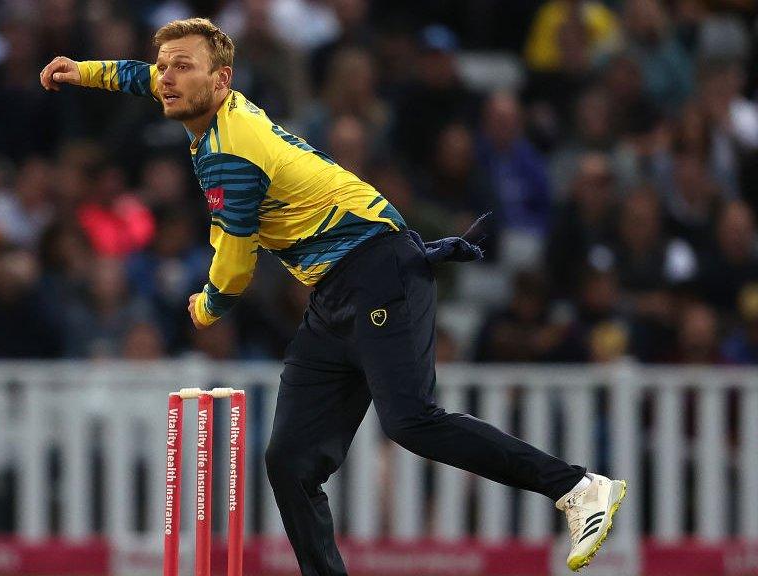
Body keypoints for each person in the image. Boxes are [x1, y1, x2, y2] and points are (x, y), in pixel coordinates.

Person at [39, 18, 626, 574]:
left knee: (411, 421)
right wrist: (82, 70)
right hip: (333, 291)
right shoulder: (199, 105)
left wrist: (208, 304)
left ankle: (577, 488)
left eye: (181, 67)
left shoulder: (231, 150)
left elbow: (236, 268)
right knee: (290, 460)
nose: (165, 78)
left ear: (221, 81)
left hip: (376, 267)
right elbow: (140, 76)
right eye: (162, 66)